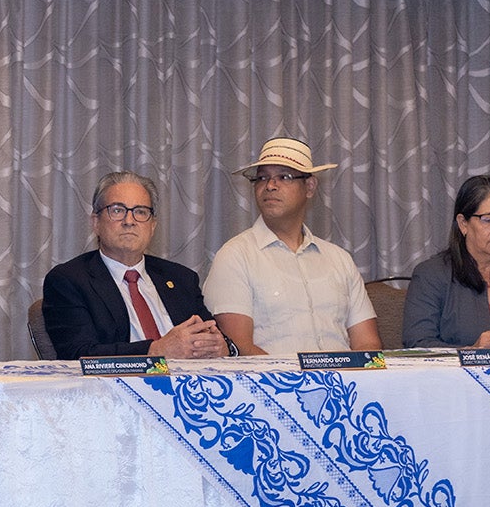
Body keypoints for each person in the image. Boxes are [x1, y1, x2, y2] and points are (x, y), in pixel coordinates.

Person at [203, 137, 380, 355]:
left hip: (343, 384)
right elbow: (238, 348)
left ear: (310, 186)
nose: (270, 186)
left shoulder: (339, 259)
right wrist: (297, 385)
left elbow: (368, 344)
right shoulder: (235, 256)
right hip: (274, 386)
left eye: (284, 177)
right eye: (262, 178)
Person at [43, 171, 232, 360]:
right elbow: (78, 355)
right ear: (96, 223)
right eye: (117, 210)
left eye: (140, 212)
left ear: (152, 226)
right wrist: (155, 351)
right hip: (115, 387)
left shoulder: (181, 278)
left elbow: (216, 338)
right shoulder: (70, 280)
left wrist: (223, 347)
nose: (129, 221)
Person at [402, 174, 490, 348]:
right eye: (488, 220)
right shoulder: (431, 275)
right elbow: (417, 344)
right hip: (458, 375)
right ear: (463, 224)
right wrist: (471, 352)